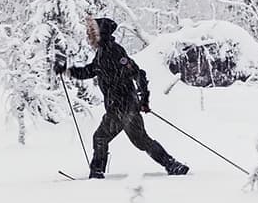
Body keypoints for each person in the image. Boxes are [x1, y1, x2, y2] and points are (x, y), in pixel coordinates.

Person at [54, 17, 189, 179]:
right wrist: (67, 71)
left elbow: (138, 73)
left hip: (122, 107)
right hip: (122, 107)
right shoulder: (102, 53)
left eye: (92, 33)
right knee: (140, 141)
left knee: (102, 137)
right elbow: (89, 71)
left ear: (101, 34)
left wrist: (144, 100)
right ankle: (173, 165)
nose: (88, 36)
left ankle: (97, 173)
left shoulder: (114, 51)